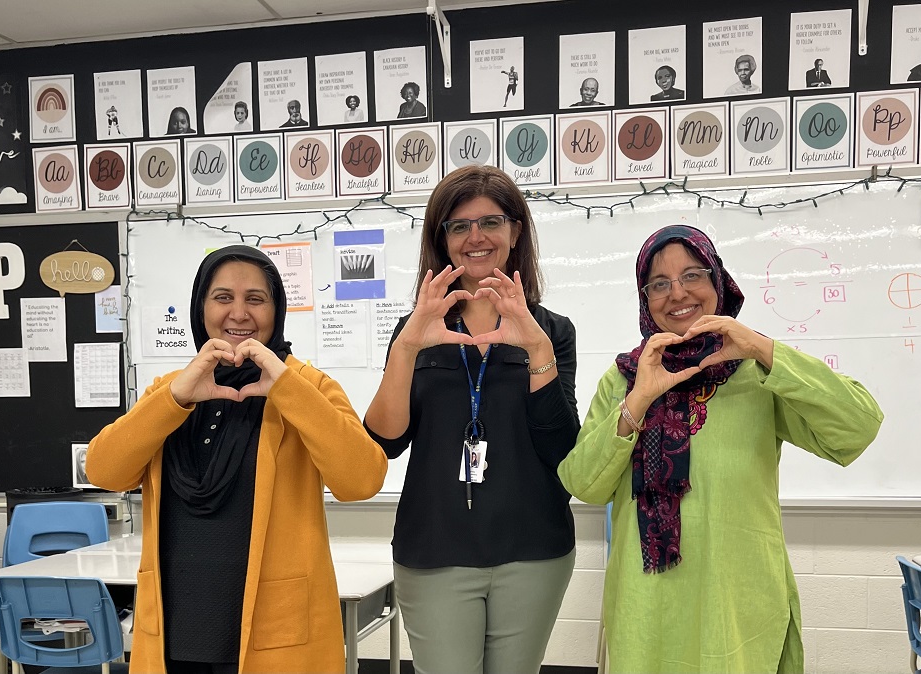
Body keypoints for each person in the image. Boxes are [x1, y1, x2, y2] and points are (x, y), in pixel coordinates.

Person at [558, 224, 883, 673]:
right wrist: (638, 401)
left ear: (718, 281)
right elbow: (584, 484)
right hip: (647, 607)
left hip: (737, 604)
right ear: (645, 299)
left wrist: (763, 349)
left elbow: (857, 427)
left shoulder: (757, 372)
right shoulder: (625, 378)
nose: (677, 293)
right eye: (659, 284)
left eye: (693, 275)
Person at [86, 245, 387, 674]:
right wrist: (175, 398)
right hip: (175, 634)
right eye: (223, 297)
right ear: (201, 308)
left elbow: (361, 480)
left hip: (275, 639)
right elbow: (104, 471)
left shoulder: (309, 386)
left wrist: (286, 387)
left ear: (277, 310)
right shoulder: (172, 389)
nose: (239, 313)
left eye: (256, 299)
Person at [364, 165, 580, 674]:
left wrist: (537, 351)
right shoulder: (417, 328)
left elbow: (563, 451)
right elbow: (384, 441)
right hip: (435, 548)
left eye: (490, 222)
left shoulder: (551, 330)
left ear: (515, 231)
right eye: (459, 225)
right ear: (442, 239)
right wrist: (406, 348)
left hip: (533, 548)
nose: (475, 237)